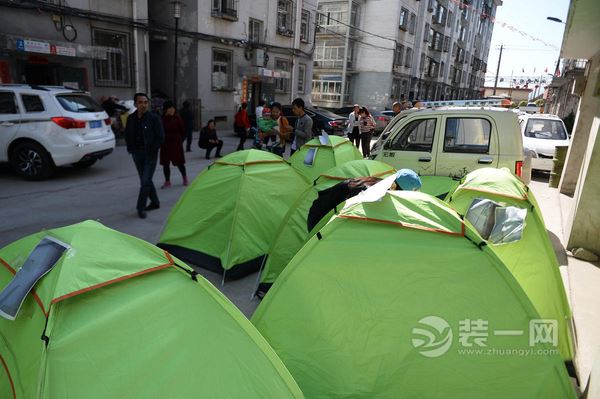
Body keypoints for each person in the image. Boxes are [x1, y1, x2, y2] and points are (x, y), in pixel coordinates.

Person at [124, 92, 165, 219]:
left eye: (146, 102)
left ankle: (140, 207)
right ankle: (155, 202)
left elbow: (160, 137)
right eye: (140, 102)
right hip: (136, 154)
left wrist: (153, 150)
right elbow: (127, 134)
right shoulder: (131, 118)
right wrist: (130, 148)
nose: (143, 105)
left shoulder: (154, 118)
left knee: (145, 180)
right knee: (145, 180)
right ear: (135, 104)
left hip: (150, 154)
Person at [160, 100, 188, 188]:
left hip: (176, 144)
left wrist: (180, 141)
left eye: (173, 108)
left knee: (180, 163)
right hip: (165, 145)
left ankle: (184, 178)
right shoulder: (161, 119)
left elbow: (183, 131)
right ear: (165, 109)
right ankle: (167, 181)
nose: (172, 110)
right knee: (165, 164)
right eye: (170, 108)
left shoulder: (177, 118)